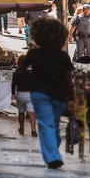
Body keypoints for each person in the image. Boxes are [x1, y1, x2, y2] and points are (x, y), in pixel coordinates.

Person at [17, 18, 74, 169]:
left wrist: (31, 71)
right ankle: (53, 155)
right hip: (59, 96)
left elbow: (21, 68)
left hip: (39, 93)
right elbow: (69, 80)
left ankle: (53, 155)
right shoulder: (63, 57)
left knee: (46, 124)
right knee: (53, 124)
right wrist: (72, 98)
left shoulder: (34, 54)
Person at [11, 55, 37, 137]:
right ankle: (33, 129)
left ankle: (22, 128)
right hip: (29, 94)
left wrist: (13, 94)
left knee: (21, 112)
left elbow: (13, 84)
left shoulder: (16, 73)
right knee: (31, 112)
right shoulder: (30, 73)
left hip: (20, 94)